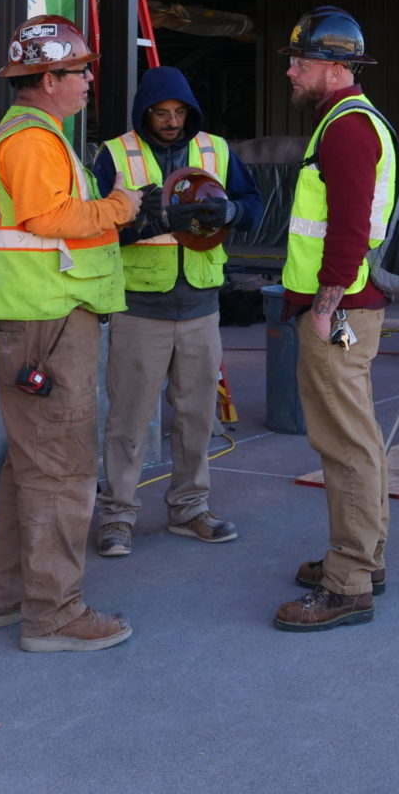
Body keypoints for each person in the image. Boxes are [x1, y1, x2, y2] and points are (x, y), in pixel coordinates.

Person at [0, 16, 138, 653]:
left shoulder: (36, 135)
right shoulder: (34, 139)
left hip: (41, 317)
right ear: (48, 79)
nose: (89, 81)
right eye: (80, 71)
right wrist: (123, 206)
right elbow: (52, 219)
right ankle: (54, 615)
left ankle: (6, 598)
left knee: (30, 467)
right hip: (46, 321)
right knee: (61, 471)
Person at [91, 66, 263, 558]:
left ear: (191, 112)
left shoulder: (216, 150)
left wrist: (232, 212)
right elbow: (97, 226)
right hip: (140, 306)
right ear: (145, 114)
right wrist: (150, 220)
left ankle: (190, 508)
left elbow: (254, 204)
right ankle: (118, 516)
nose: (170, 122)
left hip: (201, 306)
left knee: (196, 416)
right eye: (161, 114)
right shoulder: (115, 154)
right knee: (129, 417)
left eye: (178, 113)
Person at [273, 6, 398, 632]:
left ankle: (348, 582)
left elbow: (347, 230)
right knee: (358, 437)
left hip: (339, 310)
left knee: (343, 444)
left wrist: (324, 308)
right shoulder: (349, 122)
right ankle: (364, 560)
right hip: (348, 305)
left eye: (300, 61)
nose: (291, 72)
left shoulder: (347, 129)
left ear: (333, 67)